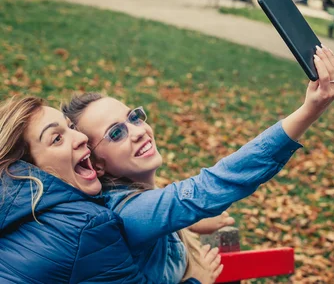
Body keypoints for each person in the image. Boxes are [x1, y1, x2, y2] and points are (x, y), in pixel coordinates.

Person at [62, 45, 334, 283]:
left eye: (133, 117)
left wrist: (187, 224)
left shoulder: (137, 202)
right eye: (116, 133)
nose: (137, 131)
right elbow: (212, 185)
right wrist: (309, 110)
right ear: (96, 164)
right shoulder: (128, 213)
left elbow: (165, 210)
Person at [0, 96, 219, 283]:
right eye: (57, 138)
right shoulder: (86, 226)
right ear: (27, 168)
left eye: (70, 127)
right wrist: (198, 280)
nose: (82, 138)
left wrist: (180, 218)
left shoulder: (19, 212)